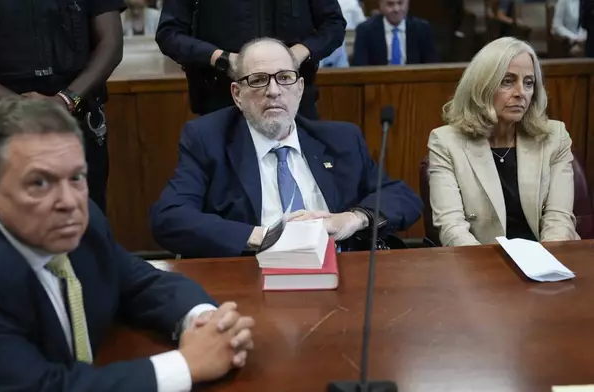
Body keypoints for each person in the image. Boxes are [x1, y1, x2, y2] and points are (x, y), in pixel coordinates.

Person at [0, 98, 255, 391]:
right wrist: (187, 365)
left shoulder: (84, 222)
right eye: (39, 183)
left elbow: (138, 283)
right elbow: (42, 387)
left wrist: (205, 321)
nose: (69, 202)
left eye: (76, 177)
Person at [149, 37, 423, 258]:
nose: (274, 91)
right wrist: (262, 236)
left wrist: (353, 219)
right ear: (237, 94)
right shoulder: (208, 139)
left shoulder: (341, 139)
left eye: (284, 78)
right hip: (252, 280)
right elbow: (169, 218)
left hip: (340, 273)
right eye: (258, 80)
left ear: (300, 88)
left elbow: (402, 197)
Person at [0, 0, 123, 213]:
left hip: (75, 114)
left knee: (83, 215)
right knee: (16, 216)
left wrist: (67, 100)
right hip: (3, 118)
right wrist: (16, 104)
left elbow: (111, 43)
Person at [427, 37, 580, 247]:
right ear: (482, 87)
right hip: (478, 265)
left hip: (547, 262)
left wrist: (547, 267)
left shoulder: (554, 137)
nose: (521, 93)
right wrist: (488, 275)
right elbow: (452, 228)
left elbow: (559, 220)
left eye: (528, 83)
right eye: (507, 81)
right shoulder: (445, 142)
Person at [155, 0, 346, 120]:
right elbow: (169, 34)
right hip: (223, 102)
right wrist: (222, 59)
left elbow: (333, 25)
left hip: (294, 104)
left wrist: (298, 53)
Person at [351, 0, 438, 66]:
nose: (396, 9)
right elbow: (360, 68)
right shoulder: (365, 30)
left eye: (400, 3)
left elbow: (432, 65)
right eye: (390, 4)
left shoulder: (422, 29)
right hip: (378, 86)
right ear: (380, 5)